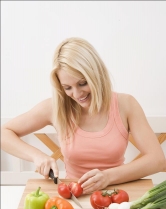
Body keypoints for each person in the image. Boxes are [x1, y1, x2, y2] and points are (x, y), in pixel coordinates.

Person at [1, 37, 165, 194]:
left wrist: (107, 177)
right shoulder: (54, 107)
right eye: (67, 87)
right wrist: (37, 156)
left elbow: (157, 160)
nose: (77, 94)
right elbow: (4, 133)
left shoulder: (126, 105)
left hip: (117, 194)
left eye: (82, 83)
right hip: (73, 195)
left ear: (96, 74)